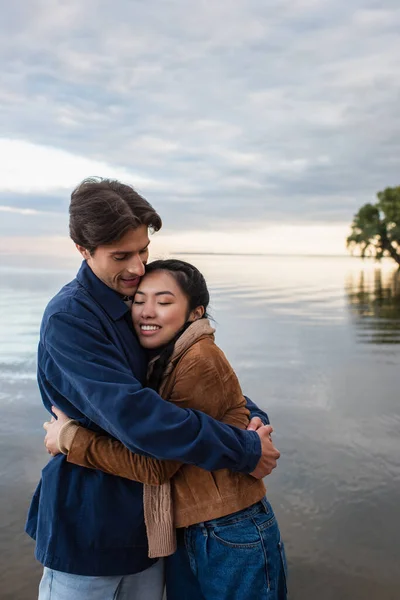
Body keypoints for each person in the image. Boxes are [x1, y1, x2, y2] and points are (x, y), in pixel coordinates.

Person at [26, 177, 281, 600]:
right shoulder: (71, 318)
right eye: (120, 256)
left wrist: (250, 420)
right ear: (82, 250)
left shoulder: (135, 301)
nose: (137, 267)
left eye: (143, 250)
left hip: (151, 534)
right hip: (88, 531)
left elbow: (185, 376)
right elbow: (139, 416)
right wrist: (243, 449)